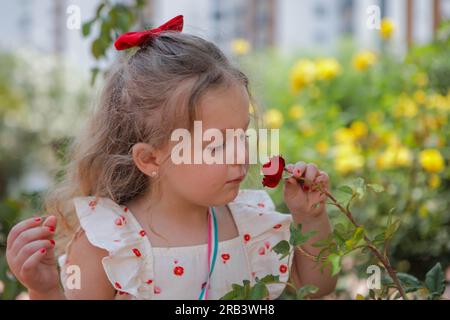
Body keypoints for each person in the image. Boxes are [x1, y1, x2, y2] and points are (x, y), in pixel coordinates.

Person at [6, 15, 336, 300]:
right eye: (216, 145)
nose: (242, 154)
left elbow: (317, 285)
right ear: (150, 159)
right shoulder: (109, 243)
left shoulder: (251, 224)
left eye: (242, 134)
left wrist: (310, 218)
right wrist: (46, 291)